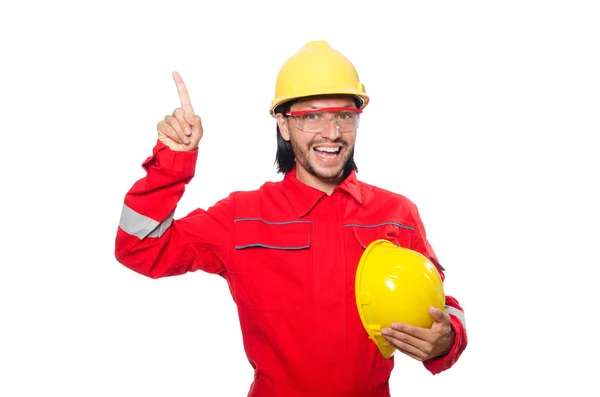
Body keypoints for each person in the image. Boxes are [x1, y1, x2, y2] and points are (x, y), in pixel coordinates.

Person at [115, 40, 468, 396]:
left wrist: (447, 337)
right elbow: (140, 247)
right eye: (312, 115)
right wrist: (171, 164)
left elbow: (438, 303)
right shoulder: (241, 217)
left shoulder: (398, 215)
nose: (331, 132)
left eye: (344, 115)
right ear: (284, 125)